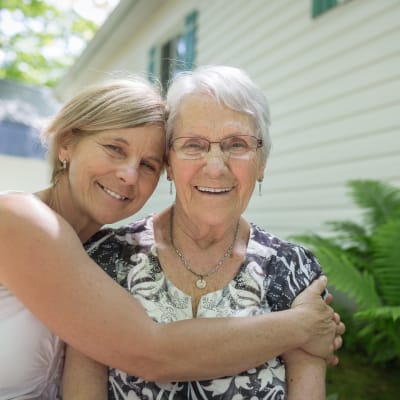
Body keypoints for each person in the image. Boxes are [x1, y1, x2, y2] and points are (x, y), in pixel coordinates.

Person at [62, 66, 343, 399]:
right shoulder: (107, 258)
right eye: (193, 145)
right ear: (169, 162)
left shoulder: (291, 269)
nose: (215, 166)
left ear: (262, 162)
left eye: (237, 144)